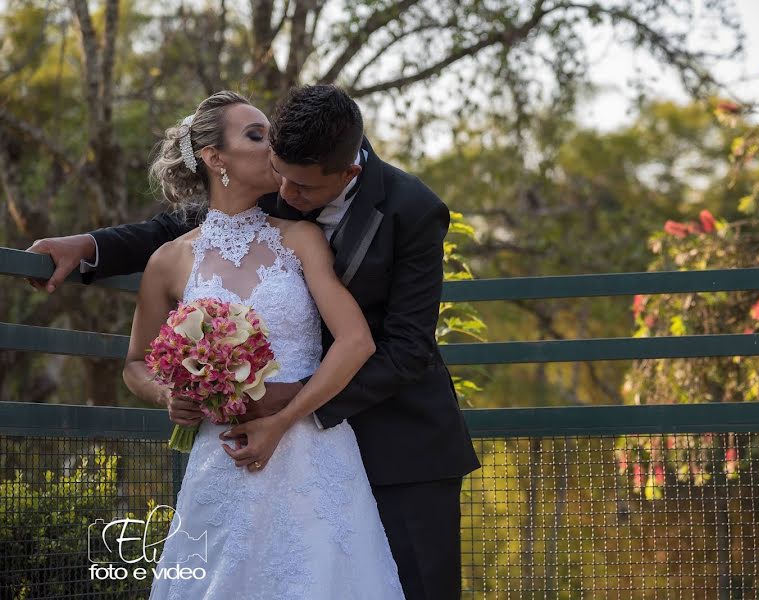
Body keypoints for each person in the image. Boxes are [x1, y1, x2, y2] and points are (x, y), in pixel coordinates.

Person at [27, 85, 480, 599]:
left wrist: (288, 400)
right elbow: (190, 232)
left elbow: (406, 349)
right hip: (253, 447)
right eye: (275, 167)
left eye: (302, 187)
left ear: (345, 173)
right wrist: (89, 246)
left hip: (398, 440)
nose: (287, 194)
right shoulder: (282, 178)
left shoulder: (412, 209)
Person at [120, 90, 403, 598]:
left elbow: (356, 341)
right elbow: (137, 363)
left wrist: (281, 420)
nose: (272, 146)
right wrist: (170, 394)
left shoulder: (300, 238)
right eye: (255, 135)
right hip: (221, 457)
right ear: (214, 159)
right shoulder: (168, 260)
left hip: (312, 452)